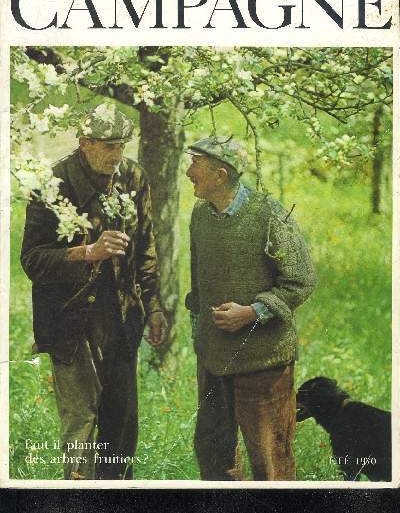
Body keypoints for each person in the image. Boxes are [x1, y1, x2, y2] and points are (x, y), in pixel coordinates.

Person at [21, 103, 168, 480]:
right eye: (107, 146)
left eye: (121, 145)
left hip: (121, 317)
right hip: (71, 320)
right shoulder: (53, 184)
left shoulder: (133, 178)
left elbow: (146, 248)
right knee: (81, 423)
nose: (116, 155)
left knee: (121, 421)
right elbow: (33, 260)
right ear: (85, 143)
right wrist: (86, 253)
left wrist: (153, 308)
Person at [185, 136, 316, 481]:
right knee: (214, 458)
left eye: (195, 164)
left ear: (221, 174)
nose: (188, 172)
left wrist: (253, 312)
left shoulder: (269, 214)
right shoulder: (200, 215)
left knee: (270, 462)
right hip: (213, 362)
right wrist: (199, 328)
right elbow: (199, 285)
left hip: (263, 361)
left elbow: (301, 280)